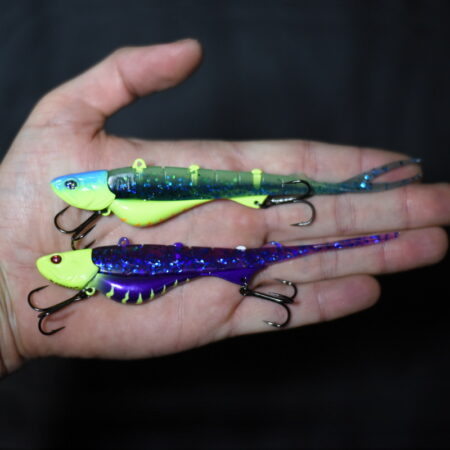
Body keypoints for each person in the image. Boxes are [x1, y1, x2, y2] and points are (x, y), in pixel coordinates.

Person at [0, 39, 448, 377]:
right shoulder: (101, 252)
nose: (67, 190)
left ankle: (349, 191)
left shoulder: (114, 203)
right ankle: (351, 199)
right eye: (57, 260)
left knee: (266, 218)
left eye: (73, 185)